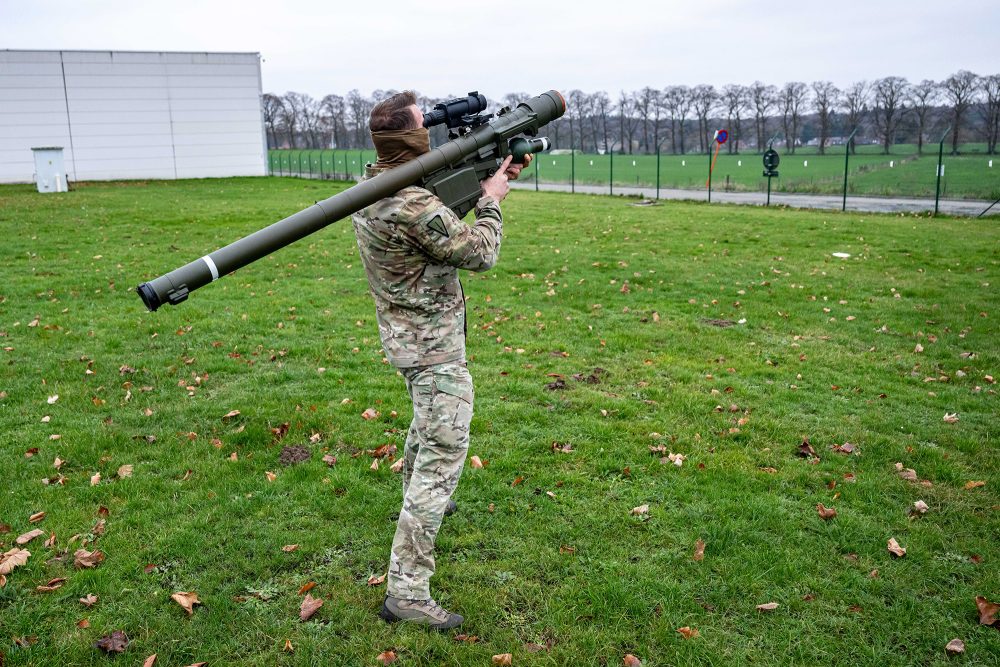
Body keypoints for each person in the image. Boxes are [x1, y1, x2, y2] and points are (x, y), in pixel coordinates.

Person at [351, 91, 529, 630]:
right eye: (421, 123)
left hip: (406, 338)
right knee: (444, 451)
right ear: (411, 137)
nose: (429, 127)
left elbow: (433, 231)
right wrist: (492, 199)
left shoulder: (375, 186)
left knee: (427, 425)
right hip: (432, 347)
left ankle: (422, 498)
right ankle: (406, 591)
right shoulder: (413, 204)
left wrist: (478, 183)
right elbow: (479, 252)